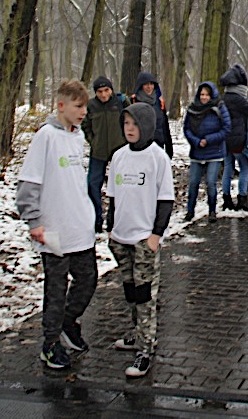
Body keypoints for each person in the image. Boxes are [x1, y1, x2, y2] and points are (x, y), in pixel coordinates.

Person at [16, 79, 98, 371]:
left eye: (85, 107)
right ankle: (50, 344)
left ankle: (68, 322)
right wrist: (33, 220)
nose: (83, 112)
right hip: (52, 230)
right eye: (78, 106)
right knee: (56, 288)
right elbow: (28, 182)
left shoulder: (78, 137)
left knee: (88, 279)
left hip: (80, 227)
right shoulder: (45, 136)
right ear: (61, 105)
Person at [106, 103, 174, 378]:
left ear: (146, 126)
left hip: (144, 239)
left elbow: (166, 200)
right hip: (120, 238)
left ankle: (146, 348)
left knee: (145, 295)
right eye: (126, 124)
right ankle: (136, 333)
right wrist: (110, 229)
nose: (130, 129)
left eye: (135, 124)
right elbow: (113, 196)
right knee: (131, 292)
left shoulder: (158, 158)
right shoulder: (119, 156)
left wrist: (155, 235)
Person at [82, 75, 127, 232]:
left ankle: (114, 219)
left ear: (111, 90)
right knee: (92, 185)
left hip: (119, 151)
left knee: (119, 185)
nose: (103, 94)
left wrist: (125, 141)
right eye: (99, 91)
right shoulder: (91, 106)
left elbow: (130, 120)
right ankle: (96, 219)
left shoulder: (121, 102)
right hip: (98, 151)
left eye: (106, 90)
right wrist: (93, 141)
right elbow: (85, 126)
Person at [182, 82, 231, 223]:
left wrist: (208, 140)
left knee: (210, 182)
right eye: (202, 94)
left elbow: (226, 128)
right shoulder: (192, 109)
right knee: (193, 183)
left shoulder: (219, 108)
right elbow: (186, 129)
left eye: (207, 95)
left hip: (214, 151)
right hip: (197, 151)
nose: (204, 97)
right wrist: (196, 141)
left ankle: (212, 211)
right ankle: (190, 211)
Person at [219, 64, 248, 212]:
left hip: (225, 140)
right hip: (238, 141)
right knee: (245, 168)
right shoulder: (238, 100)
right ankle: (242, 199)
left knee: (228, 168)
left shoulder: (223, 98)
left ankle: (226, 199)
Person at [131, 71, 174, 158]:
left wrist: (169, 146)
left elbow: (164, 126)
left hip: (158, 144)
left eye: (151, 84)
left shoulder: (160, 102)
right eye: (146, 84)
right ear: (140, 85)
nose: (149, 87)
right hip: (140, 145)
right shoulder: (133, 101)